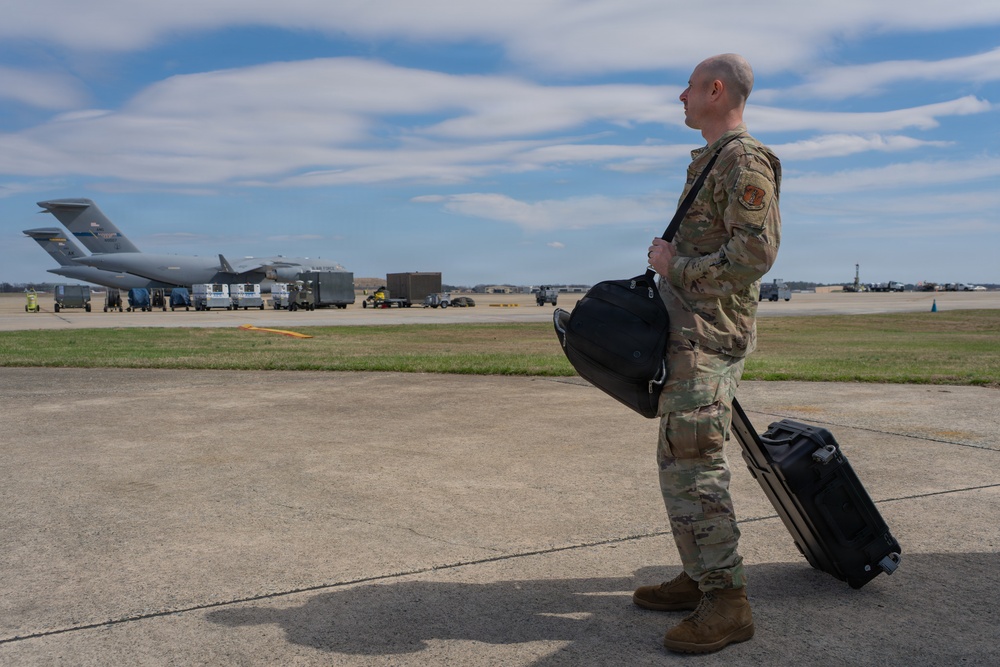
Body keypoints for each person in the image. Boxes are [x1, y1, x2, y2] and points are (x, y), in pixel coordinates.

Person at [637, 53, 782, 654]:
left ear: (716, 90)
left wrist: (678, 266)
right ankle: (701, 577)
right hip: (688, 333)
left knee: (697, 464)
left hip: (710, 335)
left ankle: (728, 602)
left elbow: (755, 256)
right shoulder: (715, 159)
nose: (682, 96)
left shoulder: (745, 159)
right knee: (679, 460)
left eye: (691, 87)